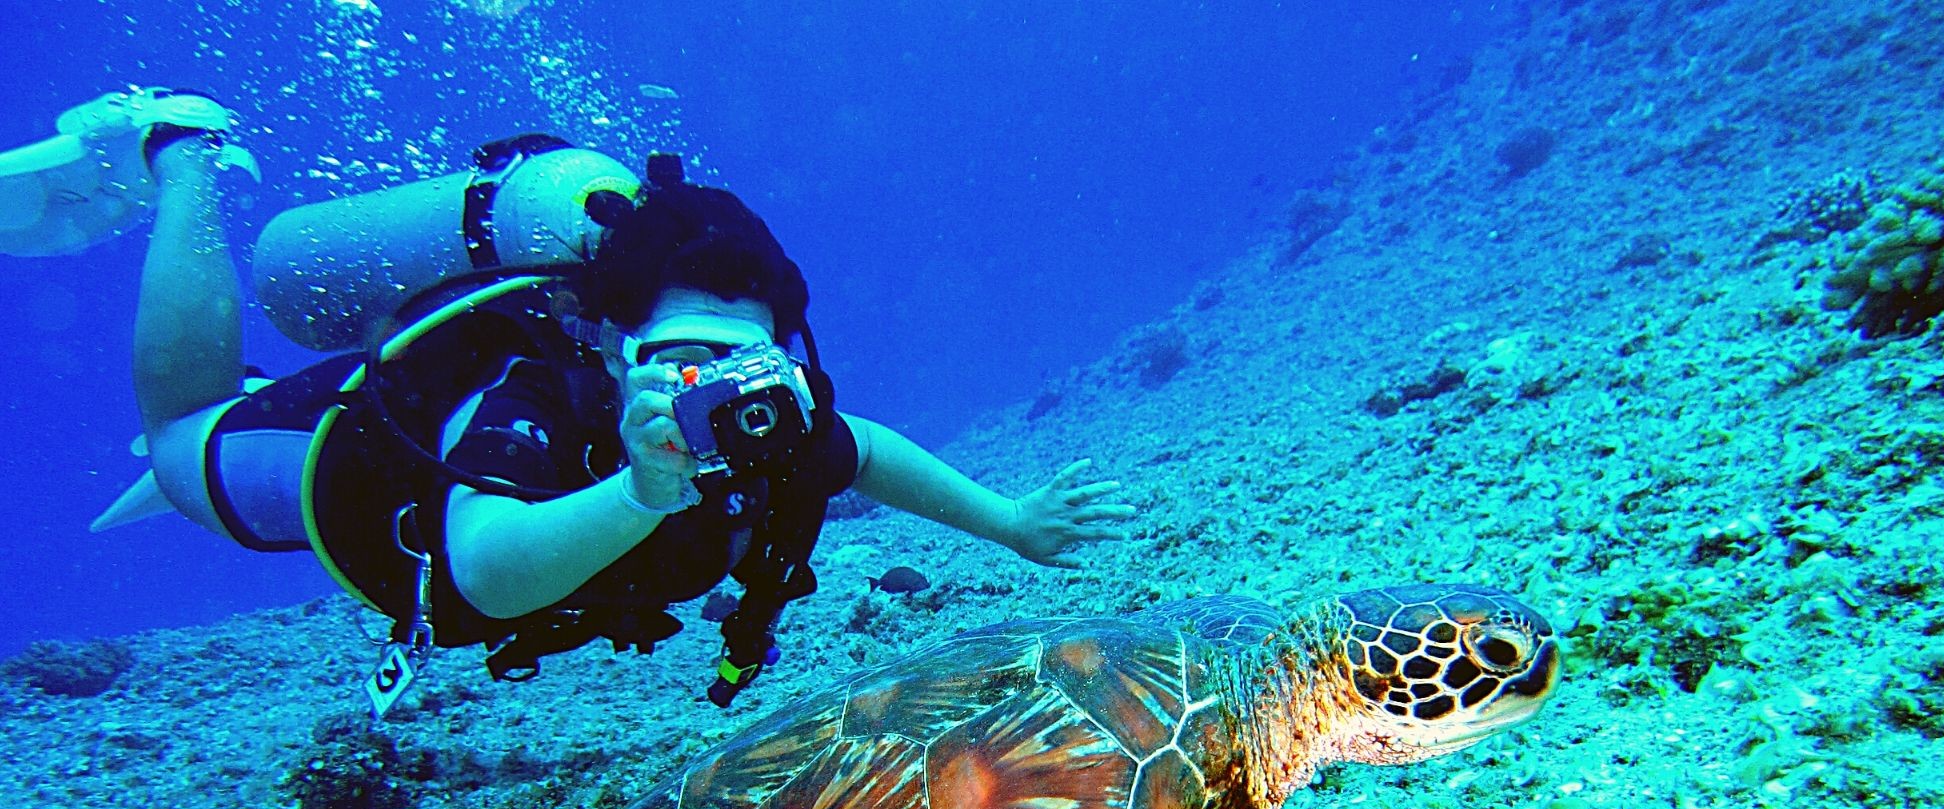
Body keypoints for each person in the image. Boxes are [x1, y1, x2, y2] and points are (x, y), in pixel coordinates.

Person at [7, 90, 1134, 709]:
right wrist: (644, 490)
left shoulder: (762, 419)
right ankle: (180, 154)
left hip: (531, 486)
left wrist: (1013, 524)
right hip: (347, 469)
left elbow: (868, 450)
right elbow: (488, 571)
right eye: (680, 356)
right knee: (175, 444)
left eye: (752, 357)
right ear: (605, 342)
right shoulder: (531, 393)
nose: (718, 389)